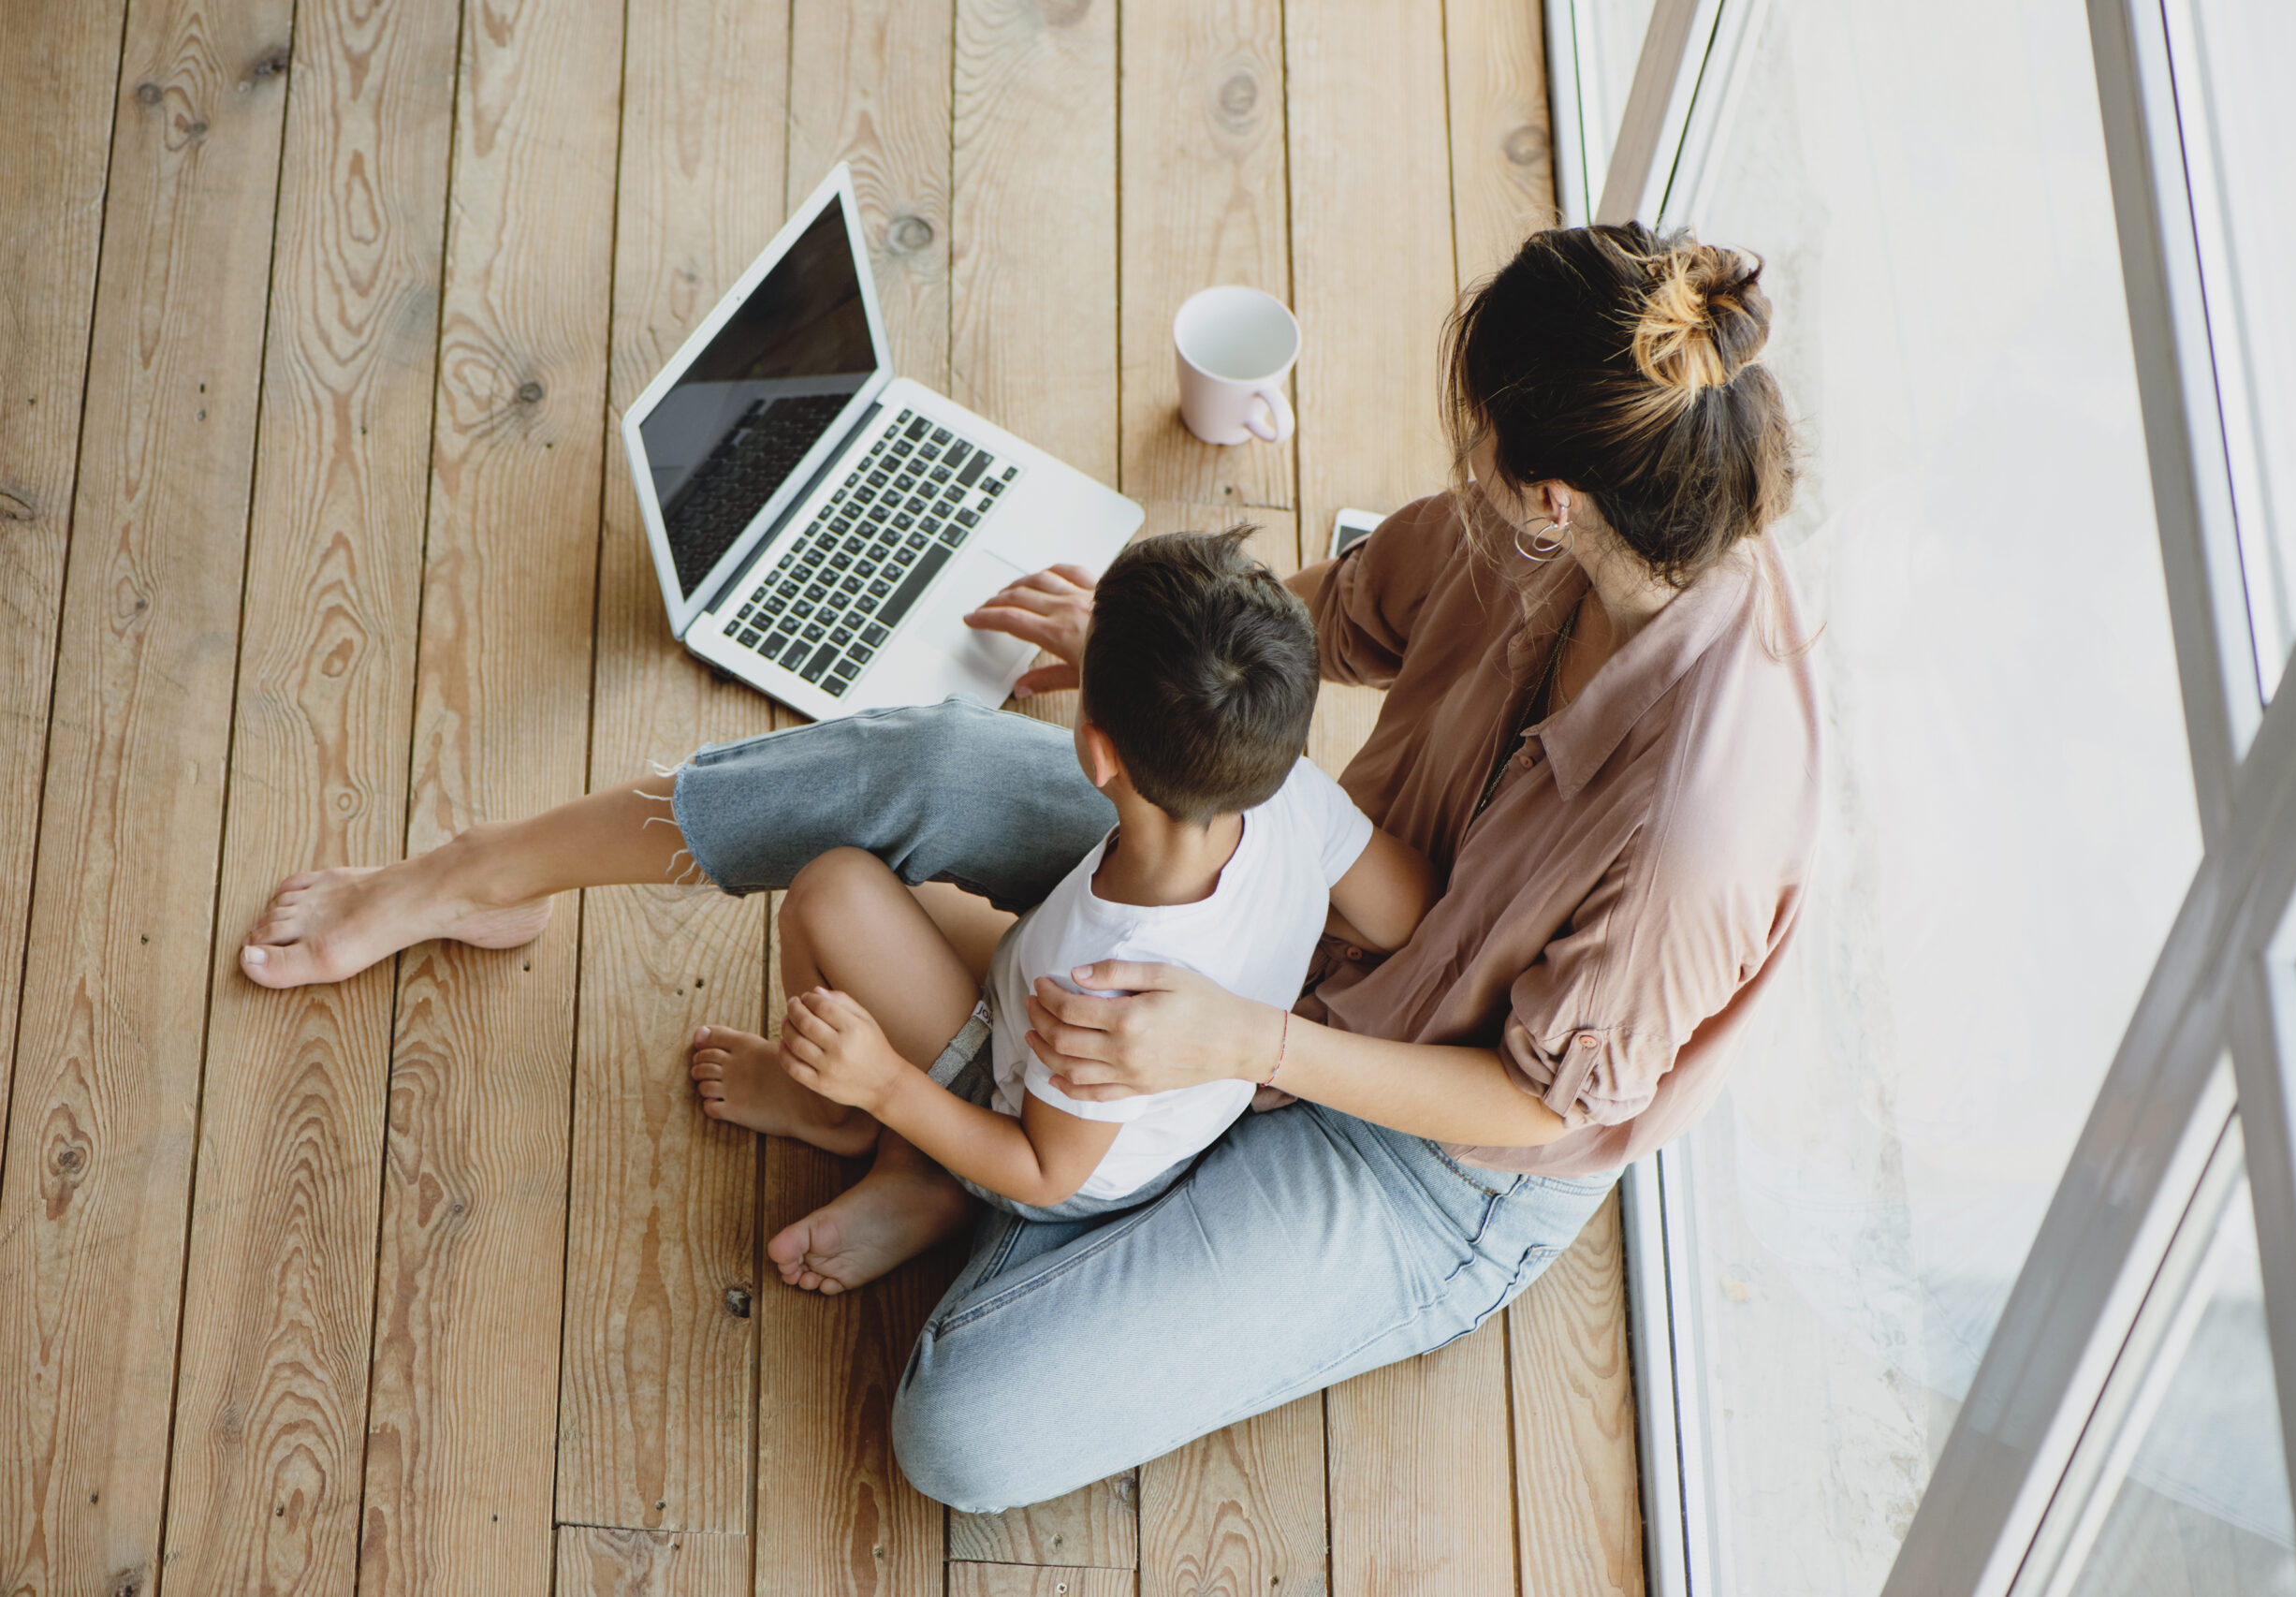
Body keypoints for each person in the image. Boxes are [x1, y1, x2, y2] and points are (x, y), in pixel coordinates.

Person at [237, 221, 1819, 1514]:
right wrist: (1151, 640)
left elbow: (1542, 1108)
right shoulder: (1538, 530)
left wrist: (1242, 1043)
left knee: (965, 1427)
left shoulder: (1697, 818)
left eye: (1480, 450)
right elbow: (1348, 613)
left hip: (1435, 1155)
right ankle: (471, 871)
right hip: (1307, 885)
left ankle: (943, 1152)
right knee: (911, 763)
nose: (1460, 464)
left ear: (1558, 499)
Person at [739, 529, 1434, 1285]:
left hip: (1039, 1143)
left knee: (832, 890)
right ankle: (919, 1170)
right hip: (1112, 1091)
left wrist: (885, 1085)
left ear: (1101, 755)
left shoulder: (1102, 979)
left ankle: (844, 1120)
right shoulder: (1291, 790)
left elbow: (1045, 1171)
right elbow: (1408, 912)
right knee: (900, 895)